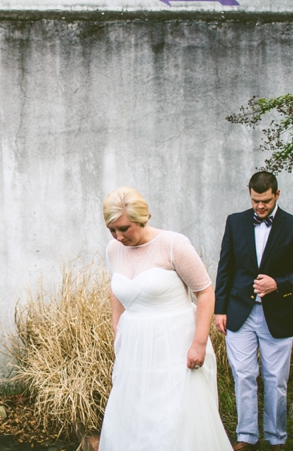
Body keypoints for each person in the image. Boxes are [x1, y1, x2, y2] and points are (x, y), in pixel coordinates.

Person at [98, 187, 232, 451]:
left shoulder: (173, 244)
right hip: (135, 346)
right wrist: (118, 328)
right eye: (112, 230)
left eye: (124, 228)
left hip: (175, 344)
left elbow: (205, 292)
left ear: (142, 218)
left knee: (174, 415)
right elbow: (118, 289)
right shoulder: (113, 249)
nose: (118, 236)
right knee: (135, 411)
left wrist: (199, 343)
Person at [214, 171, 293, 451]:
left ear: (277, 194)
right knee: (244, 375)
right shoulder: (235, 222)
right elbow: (225, 268)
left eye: (265, 201)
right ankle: (246, 436)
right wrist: (219, 309)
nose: (260, 206)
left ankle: (276, 438)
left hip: (277, 315)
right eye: (255, 200)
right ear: (249, 194)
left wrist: (279, 284)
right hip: (240, 314)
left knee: (276, 380)